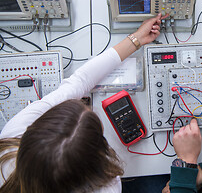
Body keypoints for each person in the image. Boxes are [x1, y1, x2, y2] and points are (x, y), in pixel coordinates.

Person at [0, 14, 166, 193]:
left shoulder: (12, 137)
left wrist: (136, 39)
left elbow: (80, 81)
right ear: (93, 165)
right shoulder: (108, 187)